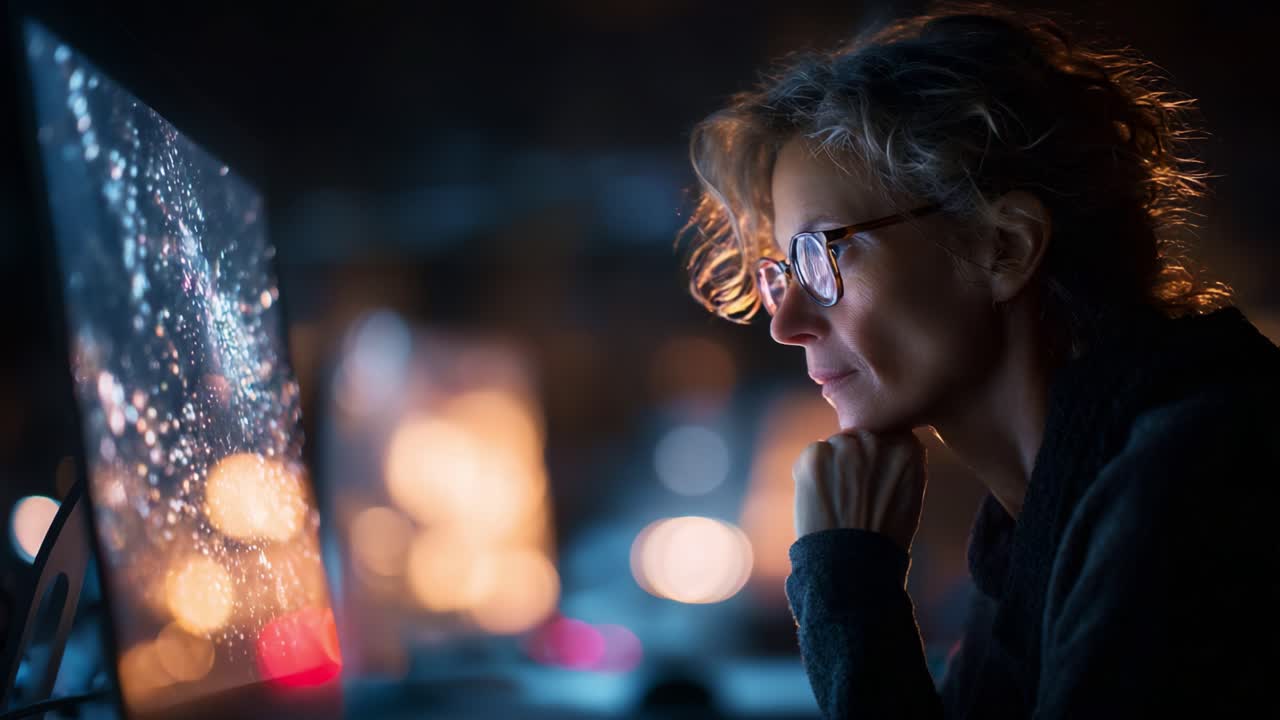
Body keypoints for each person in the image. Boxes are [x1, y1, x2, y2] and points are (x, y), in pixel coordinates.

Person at [678, 2, 1280, 717]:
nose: (787, 321)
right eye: (784, 270)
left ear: (1005, 248)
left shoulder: (1197, 479)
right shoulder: (1040, 520)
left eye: (823, 254)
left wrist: (849, 588)